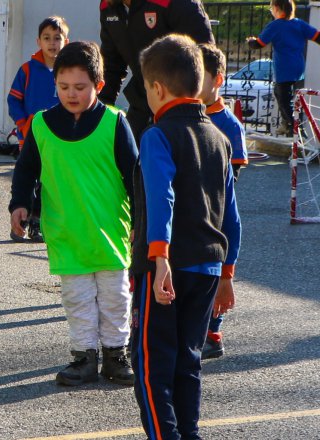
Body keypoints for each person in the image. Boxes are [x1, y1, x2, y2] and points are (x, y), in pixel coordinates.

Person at [9, 41, 138, 387]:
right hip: (65, 232)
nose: (71, 94)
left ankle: (115, 354)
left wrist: (141, 221)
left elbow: (134, 177)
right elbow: (25, 171)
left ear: (98, 85)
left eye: (80, 87)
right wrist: (19, 204)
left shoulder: (115, 123)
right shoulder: (40, 125)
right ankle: (84, 357)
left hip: (111, 231)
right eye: (63, 87)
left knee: (115, 298)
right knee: (77, 299)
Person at [131, 34, 241, 440]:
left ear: (157, 89)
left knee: (152, 366)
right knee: (188, 361)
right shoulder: (219, 138)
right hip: (209, 266)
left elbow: (163, 195)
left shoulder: (157, 135)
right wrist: (227, 272)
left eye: (146, 89)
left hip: (168, 269)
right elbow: (232, 214)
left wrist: (158, 257)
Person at [99, 0, 214, 140]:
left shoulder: (177, 3)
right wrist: (97, 113)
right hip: (142, 102)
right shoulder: (108, 6)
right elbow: (111, 67)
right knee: (131, 155)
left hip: (183, 109)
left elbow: (206, 58)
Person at [198, 43, 248, 360]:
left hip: (214, 208)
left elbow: (234, 173)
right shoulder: (183, 115)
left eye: (197, 76)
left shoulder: (229, 125)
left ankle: (213, 330)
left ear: (217, 79)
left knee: (214, 267)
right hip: (190, 208)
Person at [7, 16, 69, 243]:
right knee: (28, 179)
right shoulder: (27, 70)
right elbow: (14, 101)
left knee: (48, 181)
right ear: (38, 41)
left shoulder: (68, 71)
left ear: (66, 41)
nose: (52, 43)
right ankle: (18, 222)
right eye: (47, 38)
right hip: (30, 137)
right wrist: (23, 124)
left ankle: (37, 223)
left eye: (57, 38)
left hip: (58, 138)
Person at [247, 0, 320, 136]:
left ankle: (295, 127)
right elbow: (317, 36)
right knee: (279, 92)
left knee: (284, 99)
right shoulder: (299, 24)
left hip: (284, 69)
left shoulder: (275, 26)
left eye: (271, 9)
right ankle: (287, 123)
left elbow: (259, 44)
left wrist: (251, 41)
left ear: (276, 8)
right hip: (298, 67)